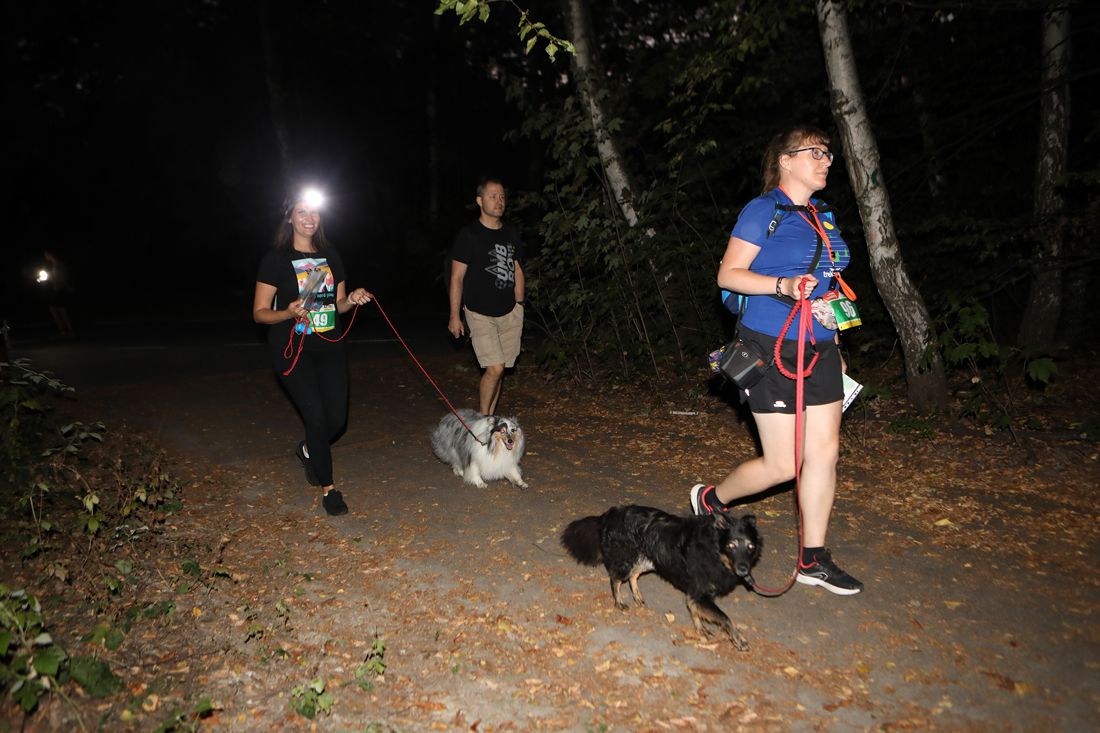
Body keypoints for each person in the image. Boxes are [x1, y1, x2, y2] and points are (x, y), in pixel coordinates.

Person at [690, 125, 863, 595]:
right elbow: (728, 274)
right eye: (815, 152)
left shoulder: (823, 215)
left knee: (824, 454)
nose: (826, 160)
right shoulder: (763, 210)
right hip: (770, 346)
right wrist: (782, 285)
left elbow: (827, 284)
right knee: (784, 465)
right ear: (786, 160)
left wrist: (835, 344)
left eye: (828, 154)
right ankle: (712, 498)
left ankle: (813, 559)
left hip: (820, 346)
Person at [253, 191, 373, 516]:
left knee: (337, 420)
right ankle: (329, 490)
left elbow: (339, 304)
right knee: (316, 417)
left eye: (315, 212)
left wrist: (353, 298)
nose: (309, 218)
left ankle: (308, 448)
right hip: (292, 348)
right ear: (289, 217)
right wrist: (287, 313)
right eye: (302, 212)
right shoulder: (276, 258)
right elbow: (259, 313)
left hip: (330, 344)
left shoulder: (330, 254)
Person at [448, 178, 526, 415]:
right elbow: (456, 278)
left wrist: (520, 304)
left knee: (501, 370)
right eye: (493, 196)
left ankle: (489, 420)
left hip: (510, 312)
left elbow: (517, 269)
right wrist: (454, 316)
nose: (499, 201)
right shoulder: (469, 234)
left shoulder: (510, 232)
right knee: (495, 367)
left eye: (502, 196)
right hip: (479, 312)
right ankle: (481, 423)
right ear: (480, 201)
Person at [42, 251, 76, 337]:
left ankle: (68, 331)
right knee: (58, 310)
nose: (45, 256)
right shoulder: (55, 264)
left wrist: (48, 280)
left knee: (59, 310)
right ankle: (67, 331)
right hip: (58, 290)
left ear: (50, 254)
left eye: (46, 254)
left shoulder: (59, 265)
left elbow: (62, 279)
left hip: (60, 290)